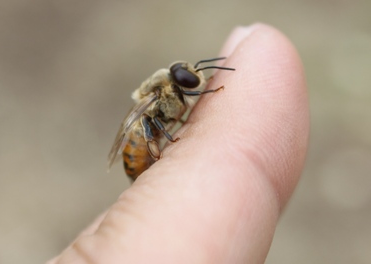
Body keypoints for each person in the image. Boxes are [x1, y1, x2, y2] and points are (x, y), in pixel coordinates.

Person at [48, 23, 309, 264]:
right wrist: (175, 134)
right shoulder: (160, 94)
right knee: (147, 126)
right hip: (139, 148)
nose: (194, 76)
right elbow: (147, 119)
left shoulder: (174, 89)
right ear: (173, 84)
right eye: (188, 76)